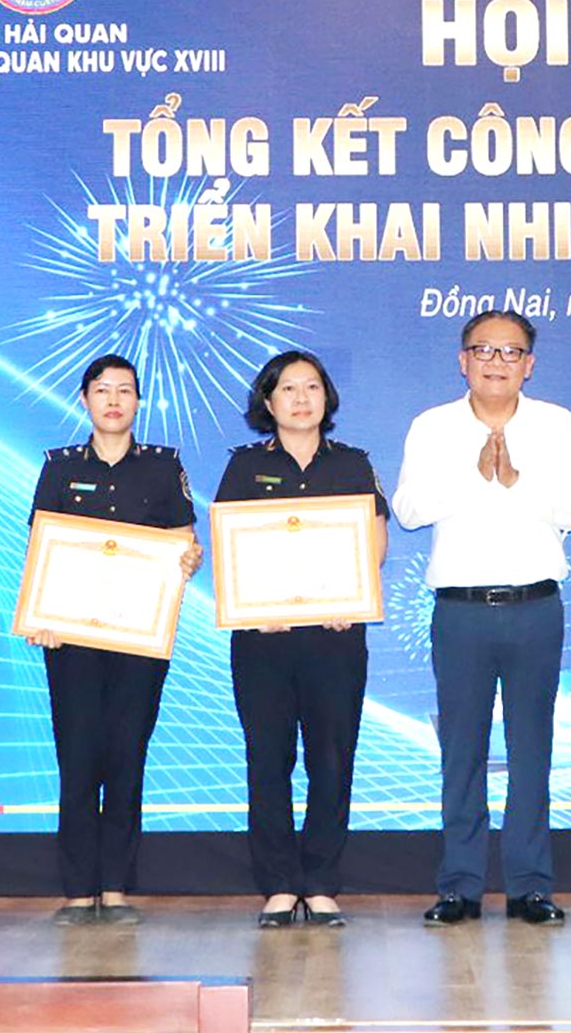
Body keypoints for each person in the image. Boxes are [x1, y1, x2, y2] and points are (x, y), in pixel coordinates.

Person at [392, 310, 571, 927]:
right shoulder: (432, 427)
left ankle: (532, 886)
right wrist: (473, 477)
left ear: (530, 364)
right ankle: (460, 885)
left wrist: (514, 480)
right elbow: (407, 510)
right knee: (462, 752)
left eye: (511, 352)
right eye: (484, 350)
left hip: (536, 608)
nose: (497, 362)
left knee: (533, 750)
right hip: (462, 612)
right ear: (463, 360)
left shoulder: (556, 424)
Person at [214, 350, 387, 928]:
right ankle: (279, 885)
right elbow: (229, 545)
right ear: (269, 402)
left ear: (327, 398)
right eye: (289, 389)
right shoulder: (244, 467)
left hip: (336, 638)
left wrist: (353, 595)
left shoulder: (353, 464)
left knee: (332, 759)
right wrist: (252, 606)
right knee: (268, 759)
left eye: (312, 386)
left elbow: (375, 539)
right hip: (264, 641)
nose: (302, 398)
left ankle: (321, 881)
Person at [30, 354, 202, 926]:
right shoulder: (58, 467)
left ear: (137, 401)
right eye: (102, 390)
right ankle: (78, 890)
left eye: (125, 391)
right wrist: (41, 613)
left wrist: (188, 560)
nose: (113, 400)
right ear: (84, 399)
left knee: (126, 755)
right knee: (78, 757)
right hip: (71, 638)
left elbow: (183, 542)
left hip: (138, 638)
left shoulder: (162, 466)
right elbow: (42, 549)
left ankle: (117, 887)